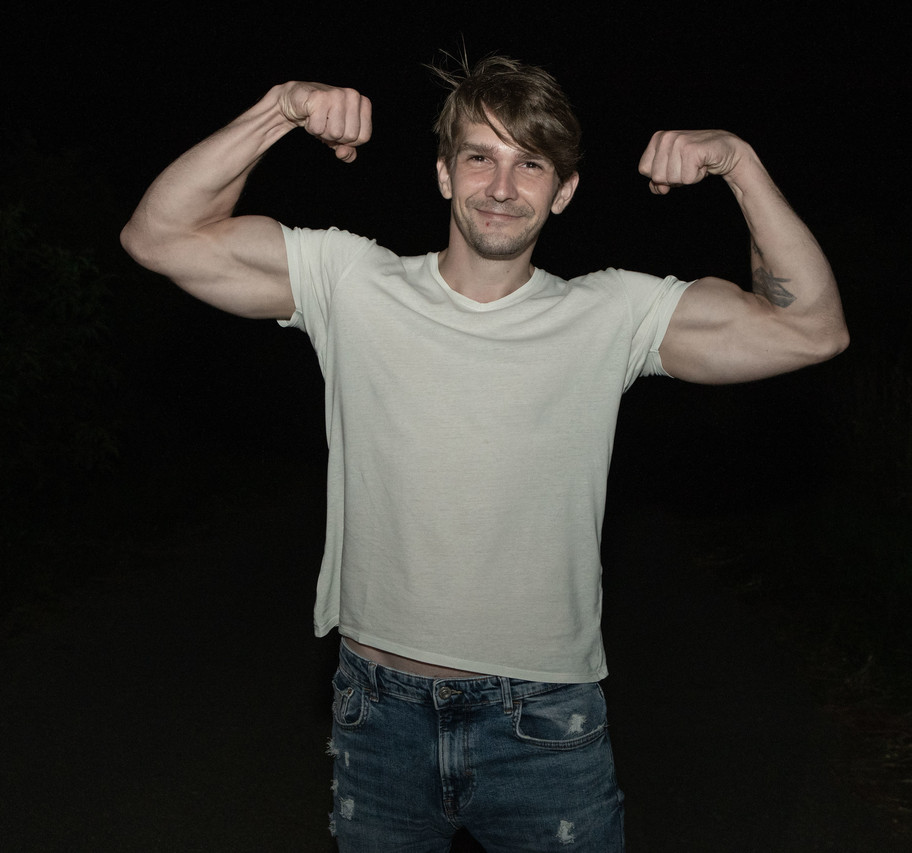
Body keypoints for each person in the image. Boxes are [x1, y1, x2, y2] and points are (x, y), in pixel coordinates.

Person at [121, 54, 847, 852]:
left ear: (563, 191)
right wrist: (280, 108)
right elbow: (159, 236)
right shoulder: (351, 282)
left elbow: (811, 329)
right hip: (377, 714)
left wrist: (739, 164)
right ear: (443, 174)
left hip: (544, 724)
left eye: (529, 164)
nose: (502, 187)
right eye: (480, 157)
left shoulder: (612, 312)